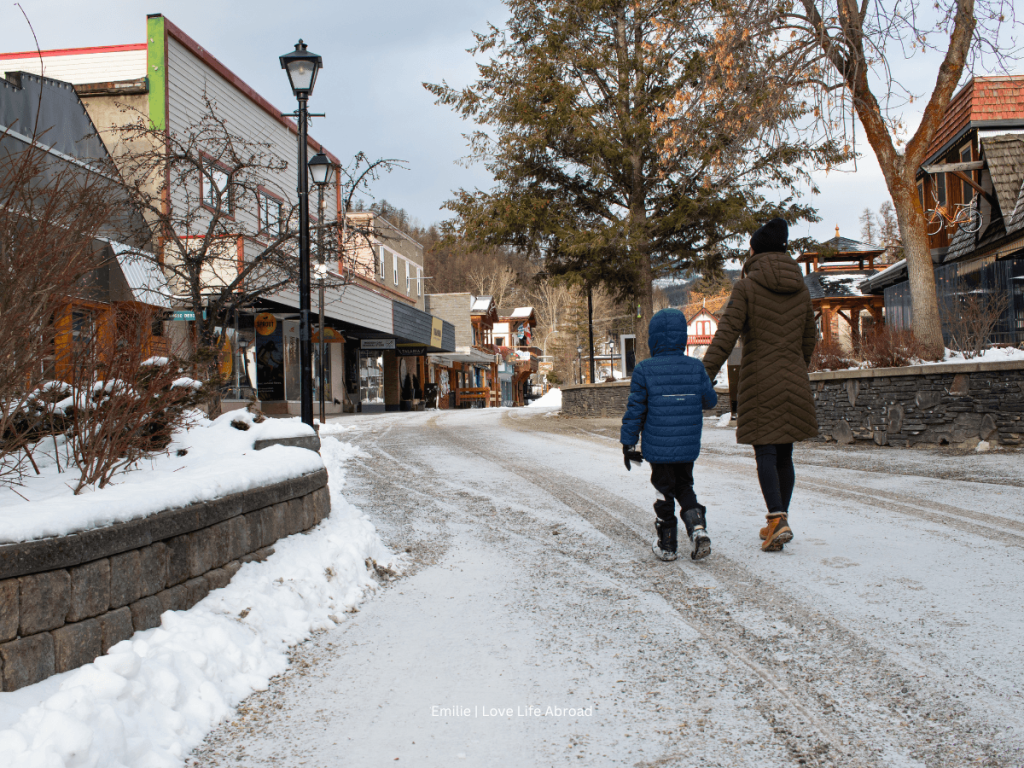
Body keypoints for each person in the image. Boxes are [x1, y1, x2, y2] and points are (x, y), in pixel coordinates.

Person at [702, 218, 818, 552]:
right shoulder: (800, 287)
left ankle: (777, 520)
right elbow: (810, 338)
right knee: (785, 453)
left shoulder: (747, 287)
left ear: (755, 250)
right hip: (793, 377)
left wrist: (703, 374)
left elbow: (726, 336)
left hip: (759, 379)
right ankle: (777, 521)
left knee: (765, 450)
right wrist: (795, 366)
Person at [620, 309, 718, 561]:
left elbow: (636, 410)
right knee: (685, 485)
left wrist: (628, 443)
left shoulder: (644, 370)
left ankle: (667, 544)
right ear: (682, 337)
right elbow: (710, 402)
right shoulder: (695, 367)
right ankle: (697, 528)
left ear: (653, 339)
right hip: (686, 444)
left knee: (664, 490)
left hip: (659, 447)